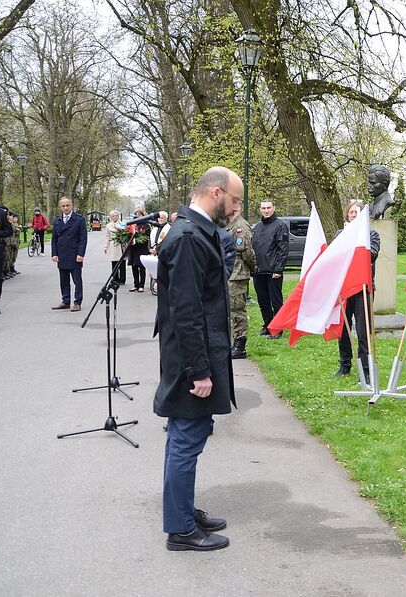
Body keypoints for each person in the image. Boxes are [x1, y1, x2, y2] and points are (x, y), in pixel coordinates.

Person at [154, 166, 241, 552]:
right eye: (235, 199)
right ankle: (181, 529)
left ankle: (184, 511)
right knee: (186, 439)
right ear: (217, 193)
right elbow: (187, 312)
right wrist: (200, 371)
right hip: (191, 359)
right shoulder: (189, 236)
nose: (237, 207)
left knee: (186, 436)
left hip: (192, 354)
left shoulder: (194, 230)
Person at [336, 200, 380, 381]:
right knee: (343, 329)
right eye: (351, 212)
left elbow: (372, 254)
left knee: (363, 330)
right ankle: (344, 365)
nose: (353, 215)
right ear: (347, 214)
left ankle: (366, 369)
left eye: (357, 212)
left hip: (363, 288)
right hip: (344, 288)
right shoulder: (340, 234)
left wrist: (358, 241)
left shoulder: (372, 235)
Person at [252, 200, 289, 339]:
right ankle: (268, 325)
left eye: (268, 208)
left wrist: (278, 270)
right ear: (260, 209)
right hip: (259, 271)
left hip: (273, 271)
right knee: (263, 302)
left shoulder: (280, 225)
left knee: (276, 301)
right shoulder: (257, 227)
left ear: (273, 208)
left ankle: (277, 328)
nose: (266, 210)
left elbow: (283, 249)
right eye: (263, 208)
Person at [226, 204, 255, 359]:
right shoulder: (227, 224)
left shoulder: (240, 226)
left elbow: (247, 252)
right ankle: (233, 341)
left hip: (237, 273)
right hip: (228, 271)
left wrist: (251, 267)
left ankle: (240, 345)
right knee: (230, 309)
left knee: (237, 310)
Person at [51, 196, 88, 312]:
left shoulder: (79, 219)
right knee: (64, 280)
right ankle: (66, 301)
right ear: (60, 207)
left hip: (74, 253)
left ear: (72, 205)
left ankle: (77, 302)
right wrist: (54, 254)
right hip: (62, 254)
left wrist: (81, 254)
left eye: (68, 205)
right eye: (63, 206)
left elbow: (83, 238)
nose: (66, 207)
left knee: (77, 280)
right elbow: (54, 239)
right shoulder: (57, 220)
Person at [127, 209, 150, 292]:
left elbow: (146, 236)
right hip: (133, 248)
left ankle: (141, 285)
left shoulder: (146, 225)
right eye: (136, 215)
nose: (138, 216)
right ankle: (135, 285)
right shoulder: (132, 225)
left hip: (142, 249)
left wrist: (138, 235)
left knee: (141, 267)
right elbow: (128, 234)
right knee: (134, 266)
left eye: (140, 215)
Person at [149, 212, 171, 295]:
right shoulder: (155, 228)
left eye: (162, 218)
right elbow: (150, 240)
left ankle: (160, 288)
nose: (160, 220)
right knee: (153, 270)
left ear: (166, 219)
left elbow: (165, 241)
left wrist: (157, 249)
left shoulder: (169, 228)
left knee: (161, 271)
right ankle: (153, 287)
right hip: (153, 251)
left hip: (162, 252)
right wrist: (150, 249)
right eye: (159, 218)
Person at [104, 210, 127, 285]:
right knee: (114, 263)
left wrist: (120, 229)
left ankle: (122, 279)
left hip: (121, 244)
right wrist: (105, 247)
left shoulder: (122, 224)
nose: (115, 217)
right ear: (111, 217)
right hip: (113, 245)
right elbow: (107, 237)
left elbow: (126, 234)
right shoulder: (108, 225)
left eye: (116, 216)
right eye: (113, 216)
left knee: (122, 262)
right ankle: (115, 278)